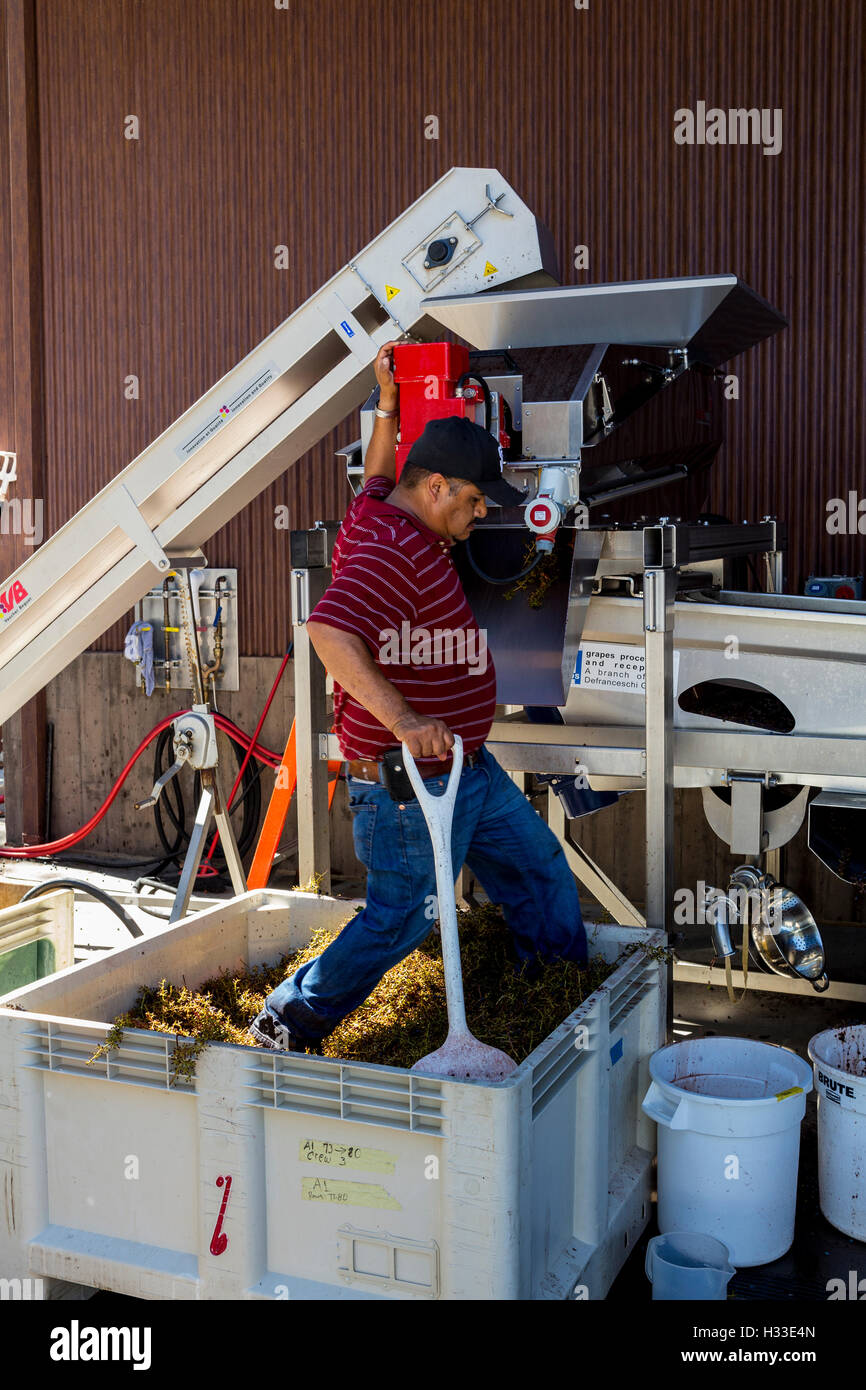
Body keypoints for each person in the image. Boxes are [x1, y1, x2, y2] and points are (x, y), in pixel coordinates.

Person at [247, 340, 587, 1051]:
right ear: (433, 487)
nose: (479, 513)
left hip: (466, 767)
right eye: (471, 500)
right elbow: (328, 631)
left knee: (535, 869)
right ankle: (290, 1018)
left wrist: (389, 406)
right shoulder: (388, 550)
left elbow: (374, 477)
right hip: (409, 784)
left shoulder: (379, 514)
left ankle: (557, 1003)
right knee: (401, 918)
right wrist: (404, 719)